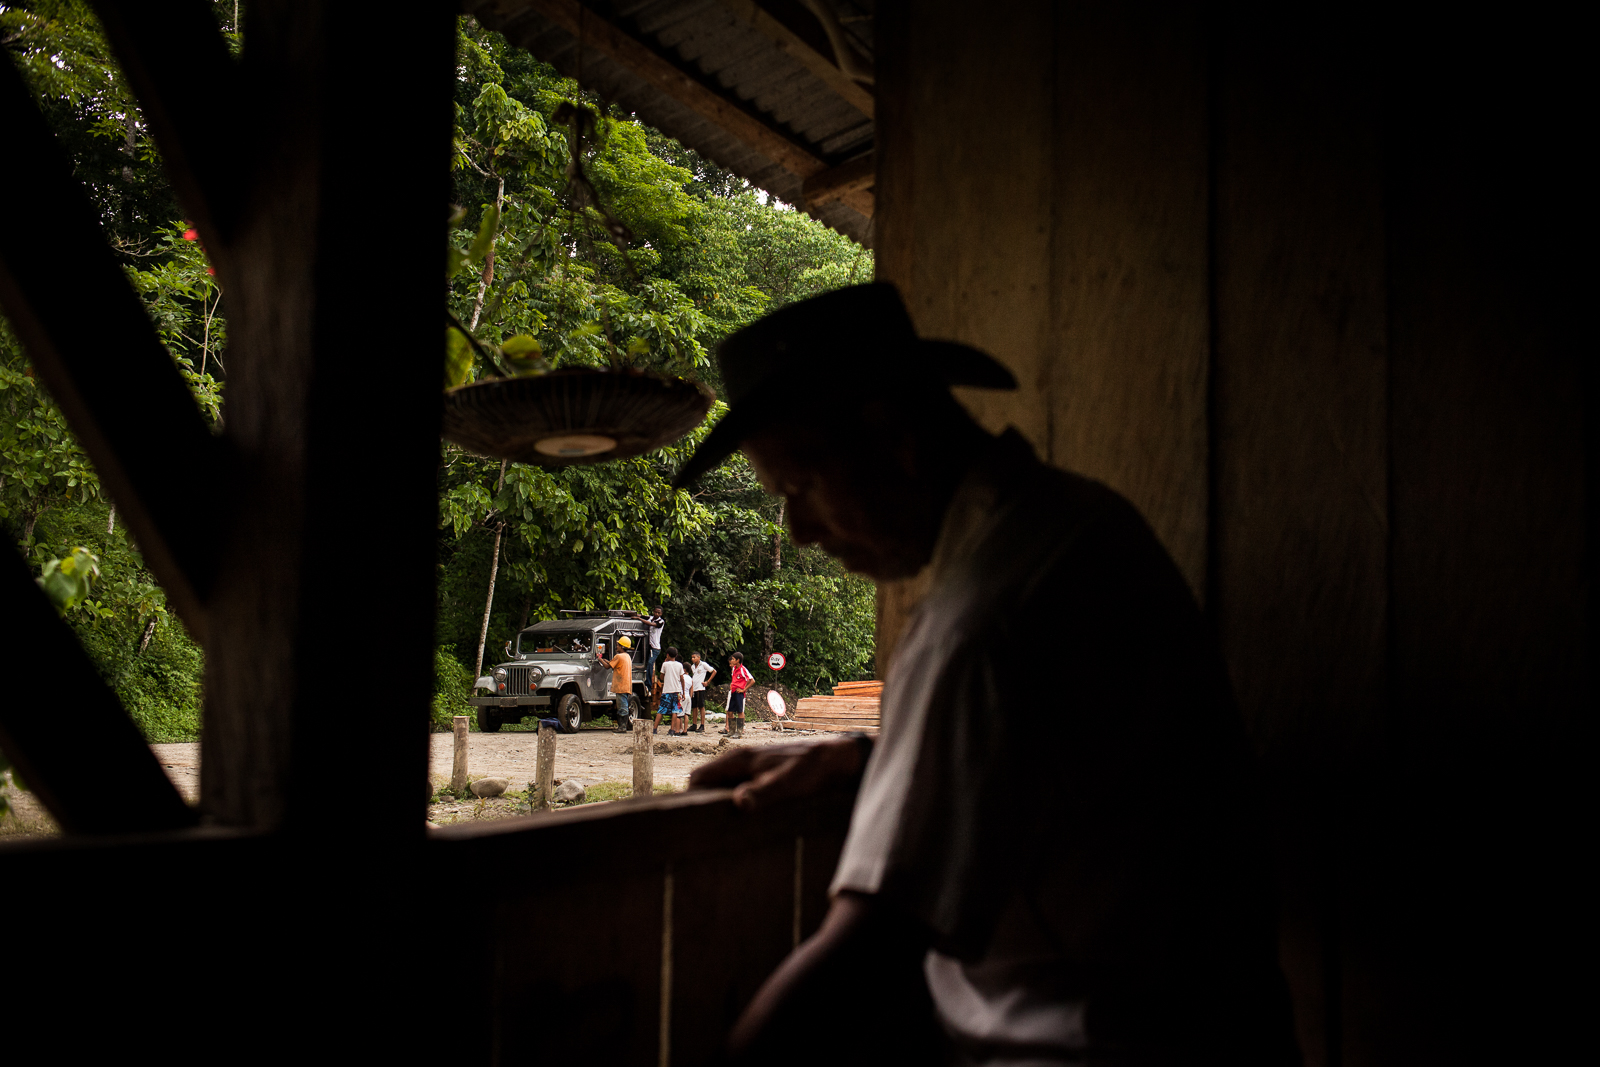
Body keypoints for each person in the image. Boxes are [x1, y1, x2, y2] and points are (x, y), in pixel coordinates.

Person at [679, 284, 1298, 1066]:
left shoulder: (977, 623)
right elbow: (1073, 776)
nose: (799, 531)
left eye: (800, 488)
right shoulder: (1082, 528)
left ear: (891, 434)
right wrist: (877, 762)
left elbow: (865, 959)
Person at [599, 635, 634, 733]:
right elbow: (612, 664)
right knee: (624, 704)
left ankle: (622, 727)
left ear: (622, 647)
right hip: (626, 685)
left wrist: (599, 659)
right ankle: (624, 725)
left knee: (622, 706)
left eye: (618, 645)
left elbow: (607, 666)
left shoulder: (618, 656)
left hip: (620, 685)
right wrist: (606, 660)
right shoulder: (627, 656)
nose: (616, 646)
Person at [654, 647, 687, 737]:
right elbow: (682, 679)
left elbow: (661, 677)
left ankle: (654, 728)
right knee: (675, 711)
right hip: (677, 691)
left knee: (661, 710)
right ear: (676, 656)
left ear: (667, 655)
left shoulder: (665, 664)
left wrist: (665, 663)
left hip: (667, 690)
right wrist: (683, 692)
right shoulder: (680, 665)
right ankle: (672, 729)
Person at [724, 652, 753, 738]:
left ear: (738, 660)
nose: (731, 661)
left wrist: (744, 689)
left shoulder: (743, 669)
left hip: (739, 693)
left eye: (733, 659)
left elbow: (752, 680)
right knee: (730, 711)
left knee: (740, 711)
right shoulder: (734, 669)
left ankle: (739, 731)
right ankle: (732, 731)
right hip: (733, 691)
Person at [687, 652, 716, 733]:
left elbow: (714, 671)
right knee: (694, 707)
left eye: (694, 657)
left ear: (699, 657)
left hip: (700, 688)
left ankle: (702, 725)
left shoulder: (703, 664)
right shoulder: (692, 667)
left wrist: (708, 681)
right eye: (692, 657)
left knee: (701, 706)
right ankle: (694, 724)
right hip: (694, 688)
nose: (692, 659)